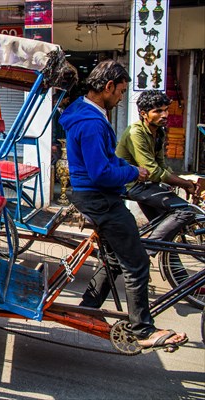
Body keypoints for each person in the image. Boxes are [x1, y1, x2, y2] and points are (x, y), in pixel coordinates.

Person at [59, 60, 187, 351]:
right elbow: (100, 173)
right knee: (137, 262)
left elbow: (107, 160)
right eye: (120, 91)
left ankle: (88, 306)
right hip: (98, 198)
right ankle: (143, 329)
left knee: (116, 259)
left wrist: (127, 168)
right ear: (107, 87)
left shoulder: (86, 111)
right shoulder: (91, 122)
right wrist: (133, 172)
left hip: (95, 194)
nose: (121, 97)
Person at [116, 90, 197, 245]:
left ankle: (175, 269)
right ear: (143, 113)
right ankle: (145, 250)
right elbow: (153, 171)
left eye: (166, 110)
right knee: (185, 211)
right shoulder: (135, 132)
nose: (165, 115)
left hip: (146, 185)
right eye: (158, 111)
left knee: (169, 234)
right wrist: (184, 183)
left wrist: (174, 181)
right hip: (132, 185)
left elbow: (161, 164)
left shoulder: (158, 132)